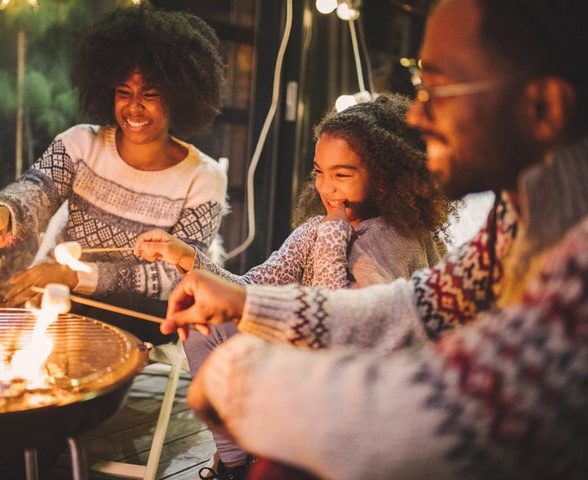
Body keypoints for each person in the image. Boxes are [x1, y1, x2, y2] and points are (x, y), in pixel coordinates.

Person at [160, 0, 588, 478]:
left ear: (544, 106)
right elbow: (416, 306)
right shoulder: (517, 219)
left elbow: (460, 410)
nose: (419, 118)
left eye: (439, 89)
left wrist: (243, 379)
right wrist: (250, 304)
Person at [134, 94, 454, 479]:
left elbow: (341, 336)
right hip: (299, 352)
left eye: (342, 174)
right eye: (319, 172)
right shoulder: (316, 229)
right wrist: (187, 258)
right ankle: (235, 465)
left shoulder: (394, 241)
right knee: (202, 327)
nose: (327, 188)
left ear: (385, 175)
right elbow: (250, 288)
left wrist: (334, 239)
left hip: (356, 391)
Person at [0, 4, 228, 346]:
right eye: (124, 92)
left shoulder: (204, 177)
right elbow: (37, 190)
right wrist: (1, 212)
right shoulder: (81, 143)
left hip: (141, 315)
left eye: (150, 95)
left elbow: (171, 276)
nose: (134, 107)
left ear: (179, 97)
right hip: (62, 295)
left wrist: (75, 276)